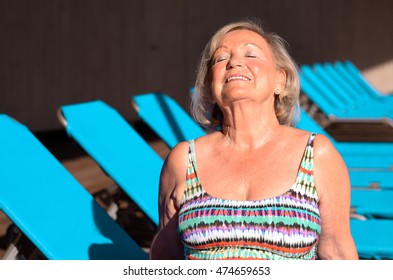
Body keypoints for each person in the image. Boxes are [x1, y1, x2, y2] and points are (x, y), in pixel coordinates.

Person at [150, 19, 358, 260]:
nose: (234, 63)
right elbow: (165, 259)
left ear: (280, 80)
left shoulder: (316, 155)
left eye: (251, 55)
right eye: (220, 59)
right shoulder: (183, 161)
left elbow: (337, 253)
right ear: (210, 85)